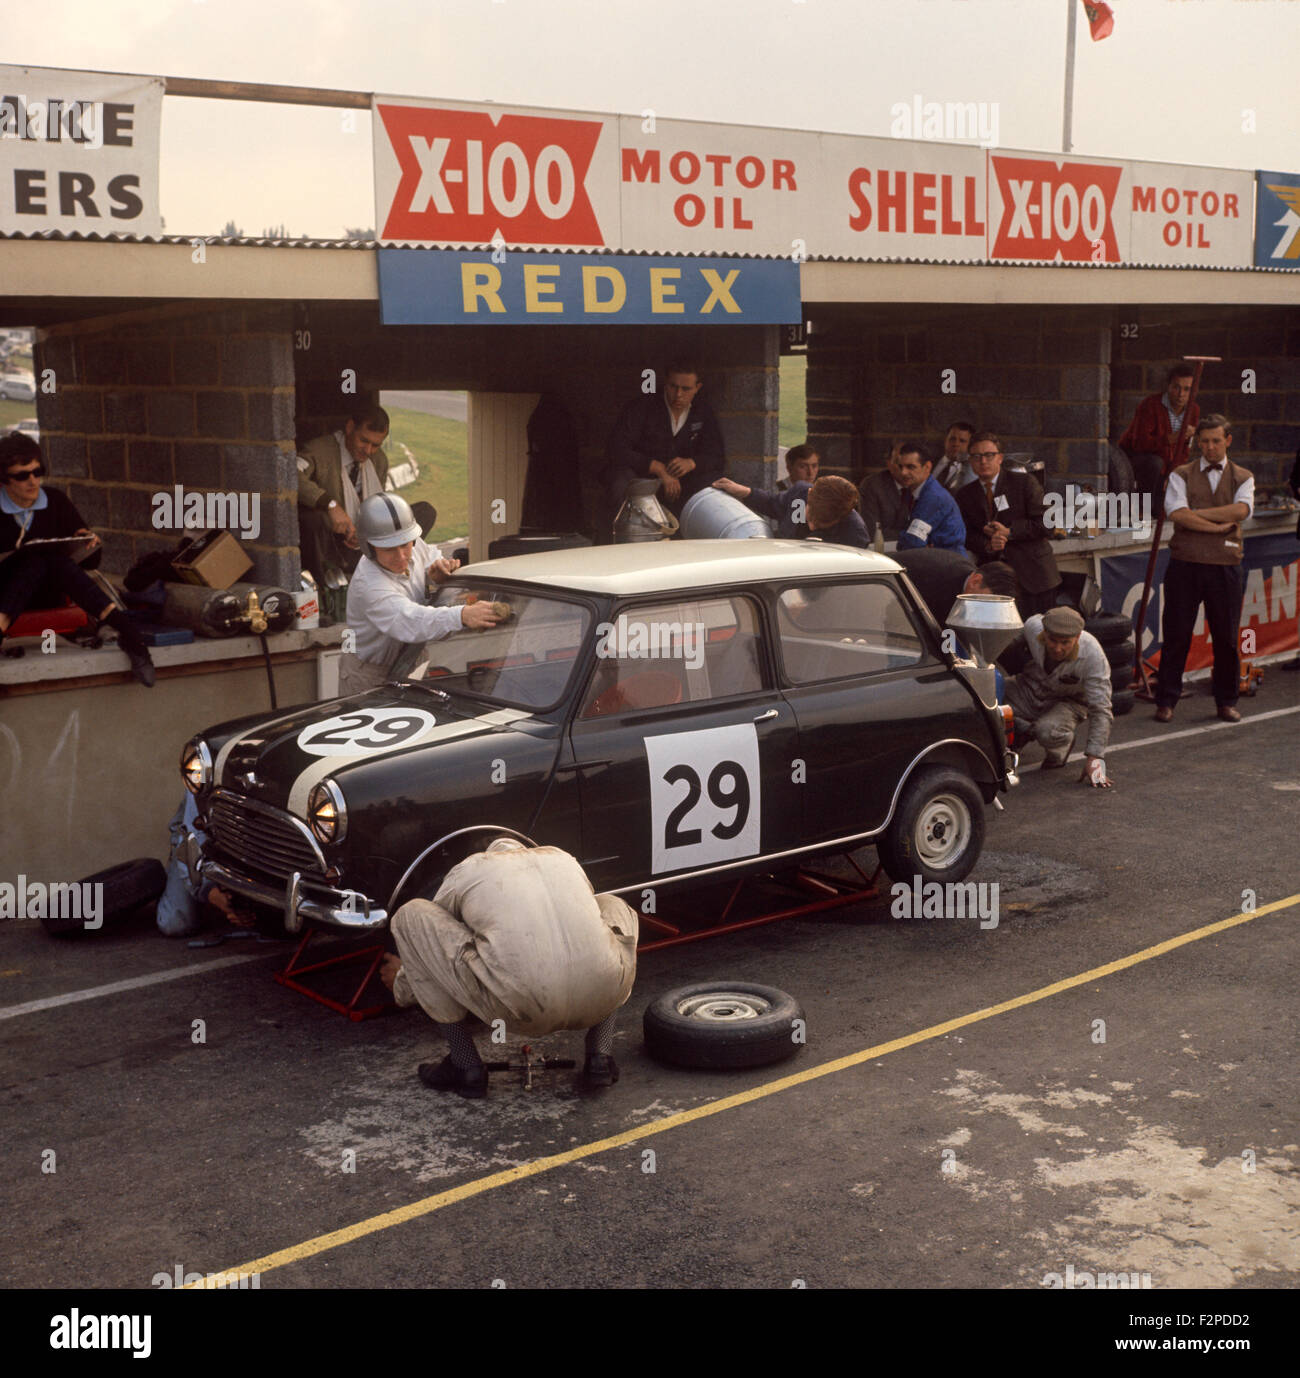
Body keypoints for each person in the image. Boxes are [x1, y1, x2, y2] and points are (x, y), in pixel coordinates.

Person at [378, 839, 639, 1096]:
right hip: (604, 996)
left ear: (487, 853)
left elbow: (435, 939)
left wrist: (403, 982)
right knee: (614, 906)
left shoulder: (471, 869)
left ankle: (465, 1063)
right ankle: (600, 1055)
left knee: (412, 916)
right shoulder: (563, 858)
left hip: (518, 1008)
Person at [0, 432, 155, 685]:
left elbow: (90, 565)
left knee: (51, 560)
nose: (33, 481)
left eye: (38, 472)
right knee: (36, 560)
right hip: (7, 594)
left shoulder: (55, 501)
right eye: (22, 475)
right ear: (4, 480)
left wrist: (88, 543)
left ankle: (131, 637)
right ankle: (130, 634)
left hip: (48, 591)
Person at [339, 492, 499, 696]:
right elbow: (411, 620)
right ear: (368, 547)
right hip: (370, 674)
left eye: (405, 545)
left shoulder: (413, 543)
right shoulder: (369, 585)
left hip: (411, 663)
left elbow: (431, 558)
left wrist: (437, 574)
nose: (401, 556)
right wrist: (462, 615)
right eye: (389, 549)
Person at [1154, 415, 1253, 723]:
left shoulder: (1243, 476)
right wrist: (1214, 528)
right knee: (1176, 634)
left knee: (1225, 637)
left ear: (1228, 441)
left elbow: (1241, 510)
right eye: (1205, 441)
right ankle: (1166, 701)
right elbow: (1178, 515)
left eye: (1215, 441)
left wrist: (1200, 514)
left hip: (1225, 566)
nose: (1209, 447)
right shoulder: (1180, 474)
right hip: (1186, 564)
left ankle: (1226, 701)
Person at [1004, 606, 1114, 788]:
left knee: (1048, 731)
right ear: (1043, 632)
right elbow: (1003, 644)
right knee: (987, 696)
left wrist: (1095, 760)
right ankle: (1023, 730)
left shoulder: (1093, 656)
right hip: (1031, 688)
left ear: (1078, 637)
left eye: (1065, 642)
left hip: (1069, 703)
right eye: (1052, 640)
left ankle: (1059, 746)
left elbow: (1101, 710)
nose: (1057, 648)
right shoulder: (1032, 626)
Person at [957, 432, 1062, 618]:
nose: (983, 461)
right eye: (976, 456)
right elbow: (964, 533)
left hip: (1034, 577)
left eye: (989, 455)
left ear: (1000, 458)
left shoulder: (1024, 483)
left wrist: (1010, 532)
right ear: (970, 461)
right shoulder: (965, 494)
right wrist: (987, 544)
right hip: (996, 583)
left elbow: (1047, 524)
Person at [605, 363, 725, 520]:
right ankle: (625, 537)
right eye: (673, 386)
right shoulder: (641, 407)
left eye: (686, 389)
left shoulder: (703, 411)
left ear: (697, 387)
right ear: (665, 383)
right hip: (642, 477)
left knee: (716, 483)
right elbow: (616, 449)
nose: (678, 394)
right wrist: (656, 467)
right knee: (620, 481)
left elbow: (717, 456)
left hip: (684, 483)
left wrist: (692, 463)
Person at [712, 473, 870, 548]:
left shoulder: (854, 535)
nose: (813, 527)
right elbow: (774, 504)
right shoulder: (800, 496)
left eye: (822, 523)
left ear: (842, 517)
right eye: (811, 518)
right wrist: (746, 492)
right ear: (809, 494)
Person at [1119, 364, 1199, 508]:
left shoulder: (1193, 410)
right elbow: (1139, 444)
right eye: (1176, 387)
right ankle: (1141, 507)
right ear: (1168, 386)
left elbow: (1184, 449)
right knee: (1155, 463)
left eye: (1187, 389)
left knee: (1165, 508)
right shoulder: (1150, 405)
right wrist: (1173, 438)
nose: (1181, 394)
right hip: (1136, 460)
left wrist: (1174, 472)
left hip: (1166, 466)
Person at [893, 549, 1018, 626]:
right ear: (976, 581)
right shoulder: (942, 581)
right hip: (888, 593)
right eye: (986, 604)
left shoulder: (967, 579)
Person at [893, 442, 967, 552]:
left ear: (927, 467)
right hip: (936, 558)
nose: (903, 473)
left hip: (948, 563)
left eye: (910, 467)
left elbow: (913, 543)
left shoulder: (933, 497)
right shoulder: (913, 491)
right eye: (901, 466)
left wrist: (907, 540)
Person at [858, 445, 911, 543]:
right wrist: (910, 536)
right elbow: (872, 531)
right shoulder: (873, 485)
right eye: (899, 464)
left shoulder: (925, 487)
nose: (904, 472)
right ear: (889, 464)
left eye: (910, 466)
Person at [931, 420, 976, 493]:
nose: (956, 444)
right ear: (946, 440)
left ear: (970, 445)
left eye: (962, 441)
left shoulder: (973, 469)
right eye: (952, 439)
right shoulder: (930, 461)